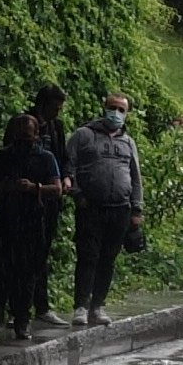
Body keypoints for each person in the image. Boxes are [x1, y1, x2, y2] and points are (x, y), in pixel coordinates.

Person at [0, 114, 62, 342]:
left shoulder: (45, 158)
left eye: (27, 135)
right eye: (19, 135)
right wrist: (5, 187)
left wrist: (35, 188)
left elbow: (57, 188)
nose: (24, 140)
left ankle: (22, 320)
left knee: (27, 275)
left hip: (33, 221)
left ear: (35, 135)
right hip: (6, 221)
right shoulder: (3, 157)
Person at [67, 92, 143, 327]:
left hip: (120, 209)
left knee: (108, 259)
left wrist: (137, 209)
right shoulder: (83, 135)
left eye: (121, 110)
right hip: (91, 207)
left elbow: (136, 177)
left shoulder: (128, 142)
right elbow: (69, 166)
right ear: (104, 107)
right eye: (113, 107)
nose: (116, 113)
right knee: (88, 256)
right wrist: (77, 194)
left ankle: (97, 305)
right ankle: (81, 305)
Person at [28, 85, 73, 328]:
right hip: (28, 199)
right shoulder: (26, 123)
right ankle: (20, 305)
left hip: (51, 198)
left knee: (43, 251)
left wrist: (66, 177)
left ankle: (41, 304)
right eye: (55, 107)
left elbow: (63, 157)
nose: (58, 112)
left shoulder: (56, 128)